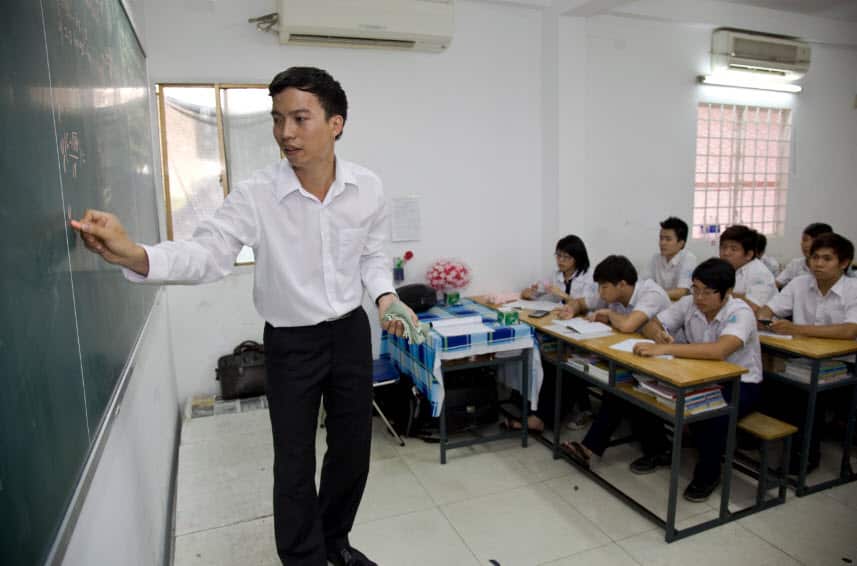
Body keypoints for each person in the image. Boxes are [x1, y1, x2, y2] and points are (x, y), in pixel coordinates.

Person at [70, 66, 416, 566]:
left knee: (351, 452)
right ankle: (302, 558)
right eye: (278, 119)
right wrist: (135, 255)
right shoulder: (256, 194)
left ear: (336, 123)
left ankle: (335, 543)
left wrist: (386, 298)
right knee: (294, 462)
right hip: (290, 342)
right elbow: (207, 254)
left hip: (348, 334)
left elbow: (373, 255)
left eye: (300, 118)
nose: (285, 133)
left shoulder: (367, 187)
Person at [757, 233, 857, 473]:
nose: (818, 264)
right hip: (803, 360)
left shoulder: (854, 289)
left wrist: (796, 328)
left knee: (803, 399)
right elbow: (768, 308)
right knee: (767, 386)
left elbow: (849, 330)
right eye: (814, 257)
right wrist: (764, 319)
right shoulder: (800, 283)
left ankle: (805, 458)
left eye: (827, 258)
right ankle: (774, 444)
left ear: (843, 263)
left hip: (843, 366)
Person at [558, 255, 671, 465]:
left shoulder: (650, 293)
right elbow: (583, 302)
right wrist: (571, 309)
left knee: (619, 387)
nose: (601, 293)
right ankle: (591, 447)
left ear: (622, 284)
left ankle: (592, 448)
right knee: (588, 370)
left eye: (604, 287)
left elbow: (628, 326)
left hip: (667, 359)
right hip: (635, 354)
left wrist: (610, 315)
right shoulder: (612, 294)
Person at [510, 235, 599, 432]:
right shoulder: (556, 274)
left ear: (577, 258)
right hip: (561, 329)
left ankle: (549, 415)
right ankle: (537, 409)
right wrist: (529, 292)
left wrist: (564, 296)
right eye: (558, 256)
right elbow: (536, 291)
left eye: (566, 257)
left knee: (560, 366)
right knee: (544, 360)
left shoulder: (590, 278)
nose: (560, 261)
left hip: (583, 332)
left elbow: (589, 307)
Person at [718, 225, 777, 312]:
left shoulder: (760, 273)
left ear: (749, 255)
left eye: (733, 249)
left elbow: (754, 308)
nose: (726, 253)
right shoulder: (722, 267)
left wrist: (721, 294)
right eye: (723, 247)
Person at [648, 216, 697, 301]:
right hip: (659, 303)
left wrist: (655, 295)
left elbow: (682, 292)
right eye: (661, 238)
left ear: (681, 243)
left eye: (668, 239)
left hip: (680, 307)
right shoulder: (656, 258)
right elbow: (645, 283)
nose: (662, 243)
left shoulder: (688, 259)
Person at [776, 222, 833, 289]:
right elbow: (777, 283)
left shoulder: (832, 268)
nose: (806, 245)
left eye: (814, 241)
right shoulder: (796, 264)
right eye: (804, 240)